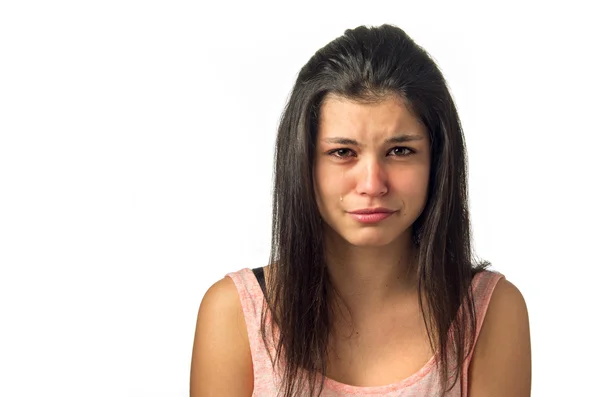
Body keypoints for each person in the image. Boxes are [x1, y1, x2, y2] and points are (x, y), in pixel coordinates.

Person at [190, 24, 531, 397]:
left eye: (400, 151)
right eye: (342, 153)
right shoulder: (235, 315)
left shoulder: (490, 311)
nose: (372, 183)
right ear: (303, 163)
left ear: (437, 161)